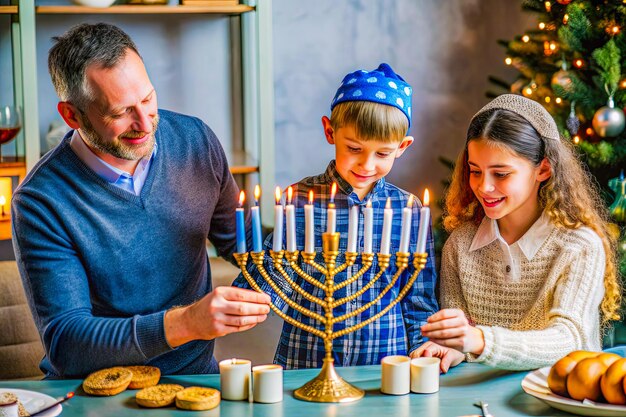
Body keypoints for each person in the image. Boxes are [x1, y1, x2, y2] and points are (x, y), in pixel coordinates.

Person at [11, 23, 270, 378]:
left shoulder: (195, 141)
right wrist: (186, 323)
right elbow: (67, 344)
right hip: (96, 392)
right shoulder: (42, 201)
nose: (145, 124)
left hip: (196, 381)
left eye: (148, 99)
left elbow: (245, 244)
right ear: (72, 116)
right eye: (120, 113)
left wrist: (315, 231)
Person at [234, 63, 439, 369]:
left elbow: (418, 299)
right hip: (307, 360)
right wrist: (247, 299)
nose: (367, 165)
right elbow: (279, 274)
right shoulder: (300, 199)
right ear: (330, 131)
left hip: (384, 366)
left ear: (403, 147)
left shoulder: (408, 211)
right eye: (354, 148)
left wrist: (425, 348)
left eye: (382, 153)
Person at [415, 94, 621, 372]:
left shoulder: (579, 245)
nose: (484, 187)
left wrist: (480, 341)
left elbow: (569, 340)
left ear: (543, 169)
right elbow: (463, 333)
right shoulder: (461, 244)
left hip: (556, 399)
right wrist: (451, 346)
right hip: (475, 399)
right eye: (475, 171)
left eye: (501, 174)